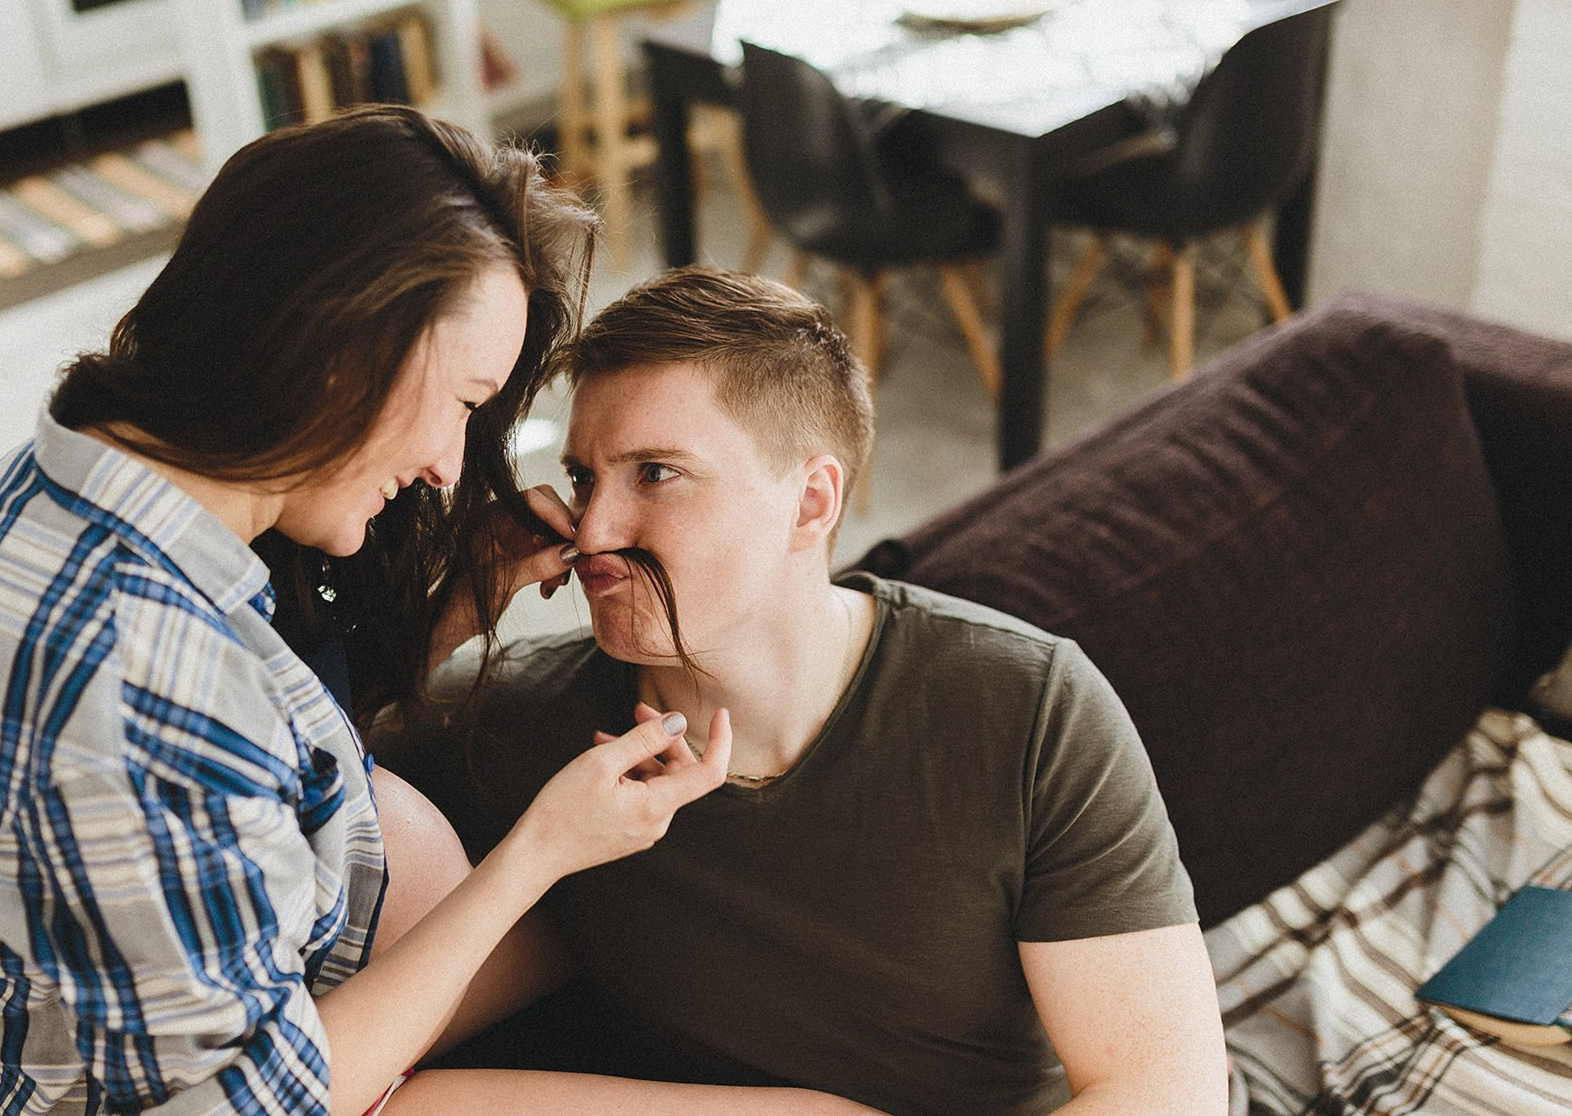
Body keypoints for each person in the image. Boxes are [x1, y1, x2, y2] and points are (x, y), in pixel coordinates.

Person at [0, 110, 880, 1116]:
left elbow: (255, 746)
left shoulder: (72, 478)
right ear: (338, 352)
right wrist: (538, 849)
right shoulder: (140, 677)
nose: (450, 464)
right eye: (462, 400)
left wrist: (450, 611)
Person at [378, 267, 1231, 1116]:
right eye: (584, 478)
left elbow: (1165, 1091)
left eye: (656, 474)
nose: (595, 531)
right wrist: (455, 612)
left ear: (810, 501)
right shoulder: (522, 721)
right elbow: (287, 765)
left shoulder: (1027, 710)